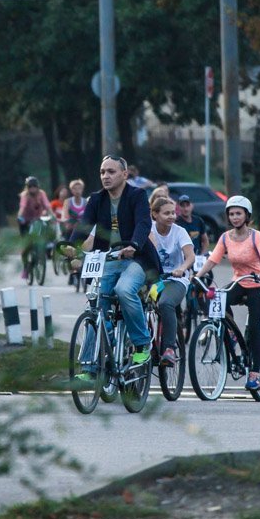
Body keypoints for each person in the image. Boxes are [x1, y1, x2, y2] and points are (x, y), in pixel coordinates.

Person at [64, 155, 158, 378]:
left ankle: (142, 344)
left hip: (137, 259)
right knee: (95, 304)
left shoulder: (137, 195)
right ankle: (90, 366)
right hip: (107, 258)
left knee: (124, 290)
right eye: (102, 172)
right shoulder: (97, 199)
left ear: (124, 174)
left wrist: (134, 244)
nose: (105, 176)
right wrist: (71, 247)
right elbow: (85, 224)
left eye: (111, 171)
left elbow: (144, 223)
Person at [195, 196, 260, 392]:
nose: (235, 217)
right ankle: (231, 333)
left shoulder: (256, 236)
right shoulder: (225, 237)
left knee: (254, 328)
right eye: (231, 214)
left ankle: (254, 375)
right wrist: (197, 276)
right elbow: (213, 260)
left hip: (258, 285)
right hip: (239, 283)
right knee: (217, 300)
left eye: (239, 213)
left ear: (247, 216)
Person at [148, 195, 196, 368]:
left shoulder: (179, 232)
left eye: (173, 213)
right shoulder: (149, 230)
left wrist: (182, 268)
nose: (171, 216)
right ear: (155, 214)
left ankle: (169, 348)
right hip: (154, 279)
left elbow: (190, 256)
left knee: (166, 303)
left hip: (175, 279)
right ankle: (142, 343)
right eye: (166, 213)